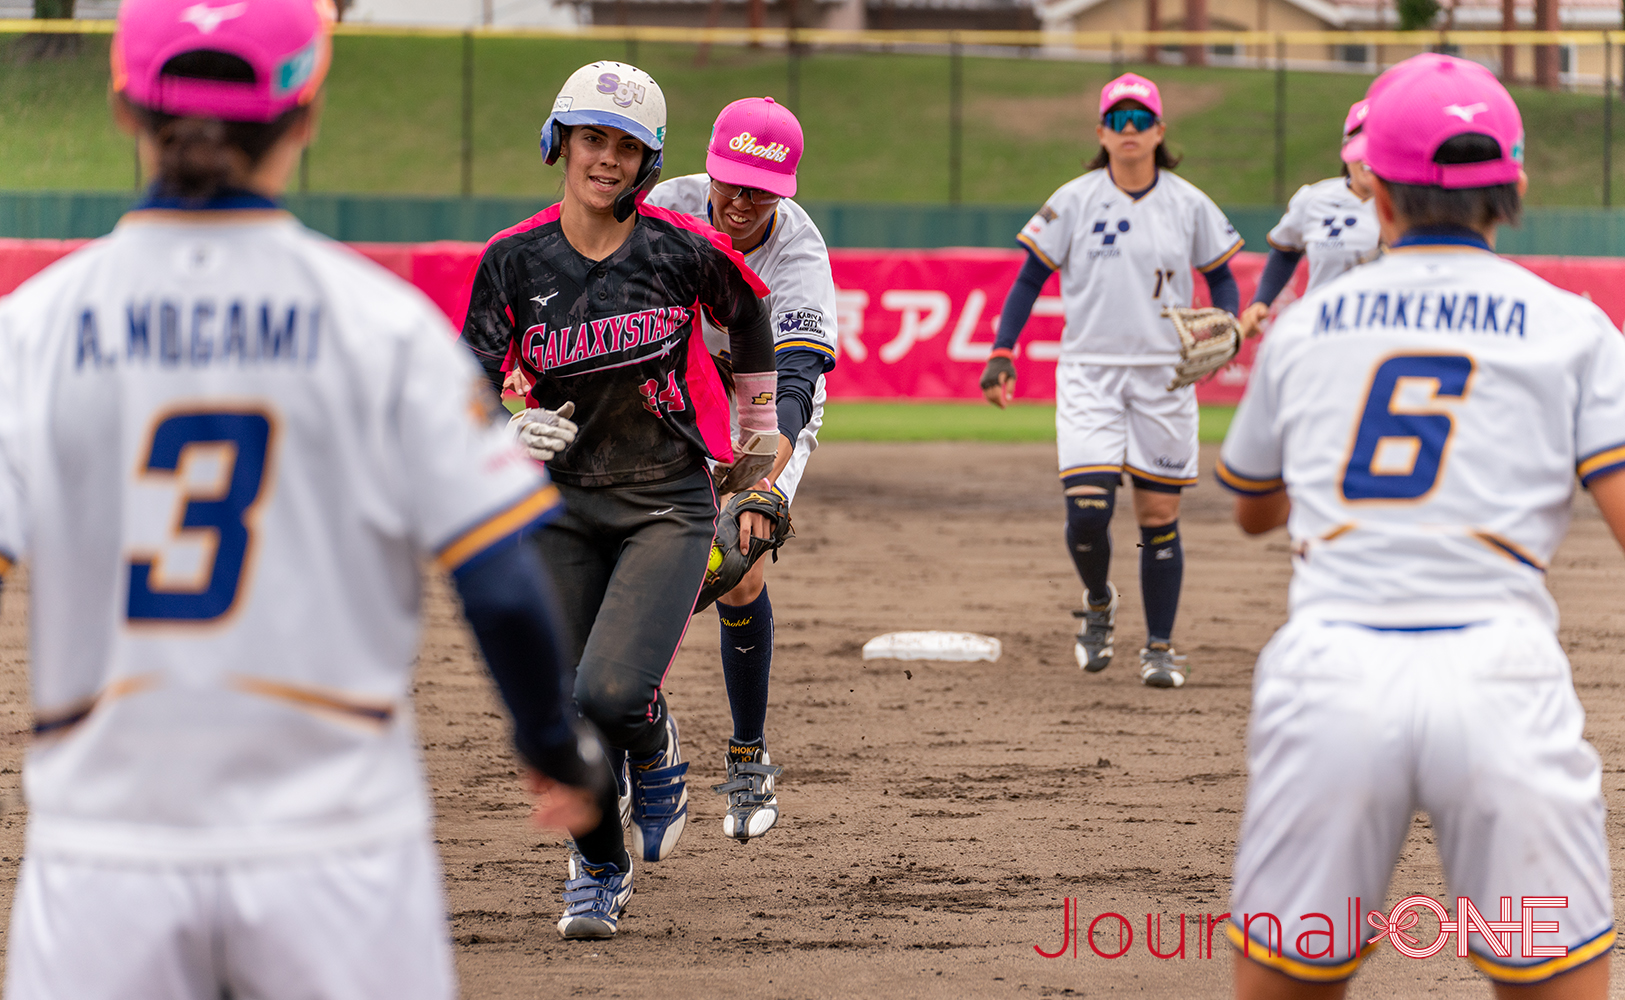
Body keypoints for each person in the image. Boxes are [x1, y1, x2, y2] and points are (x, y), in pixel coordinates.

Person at [0, 0, 610, 996]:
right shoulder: (382, 329)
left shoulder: (31, 332)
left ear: (123, 108)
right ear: (306, 113)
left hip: (104, 850)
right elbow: (500, 584)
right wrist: (554, 743)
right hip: (335, 847)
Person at [1220, 53, 1621, 999]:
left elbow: (1251, 510)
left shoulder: (1312, 329)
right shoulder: (1573, 328)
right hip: (1499, 674)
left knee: (1289, 978)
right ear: (1512, 189)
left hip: (1331, 673)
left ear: (1377, 196)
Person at [460, 61, 778, 938]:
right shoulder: (513, 262)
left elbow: (750, 317)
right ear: (559, 140)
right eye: (593, 138)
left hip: (664, 503)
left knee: (605, 693)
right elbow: (471, 386)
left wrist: (756, 415)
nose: (607, 159)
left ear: (648, 161)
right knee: (557, 708)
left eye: (627, 146)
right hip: (558, 507)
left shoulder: (679, 248)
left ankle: (651, 746)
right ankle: (598, 866)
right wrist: (504, 427)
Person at [980, 71, 1243, 689]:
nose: (1129, 130)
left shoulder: (1188, 203)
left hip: (1165, 378)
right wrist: (1002, 350)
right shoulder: (1074, 199)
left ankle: (1159, 646)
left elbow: (1224, 275)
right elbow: (1028, 280)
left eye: (1140, 120)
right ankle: (1099, 601)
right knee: (1089, 511)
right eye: (1117, 121)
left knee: (1157, 512)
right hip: (1091, 374)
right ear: (1101, 131)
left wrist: (1228, 321)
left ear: (1159, 130)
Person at [644, 95, 836, 844]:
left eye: (758, 189)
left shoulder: (798, 256)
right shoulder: (668, 205)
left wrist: (759, 477)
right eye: (730, 180)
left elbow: (793, 386)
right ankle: (641, 734)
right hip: (683, 389)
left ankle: (747, 752)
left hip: (770, 409)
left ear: (782, 189)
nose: (739, 200)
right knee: (636, 547)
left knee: (737, 560)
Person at [1237, 99, 1381, 340]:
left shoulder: (1410, 204)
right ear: (1345, 149)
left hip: (1382, 334)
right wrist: (1261, 302)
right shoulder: (1314, 199)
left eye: (1376, 141)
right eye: (1358, 141)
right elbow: (1286, 251)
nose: (1367, 154)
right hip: (1322, 332)